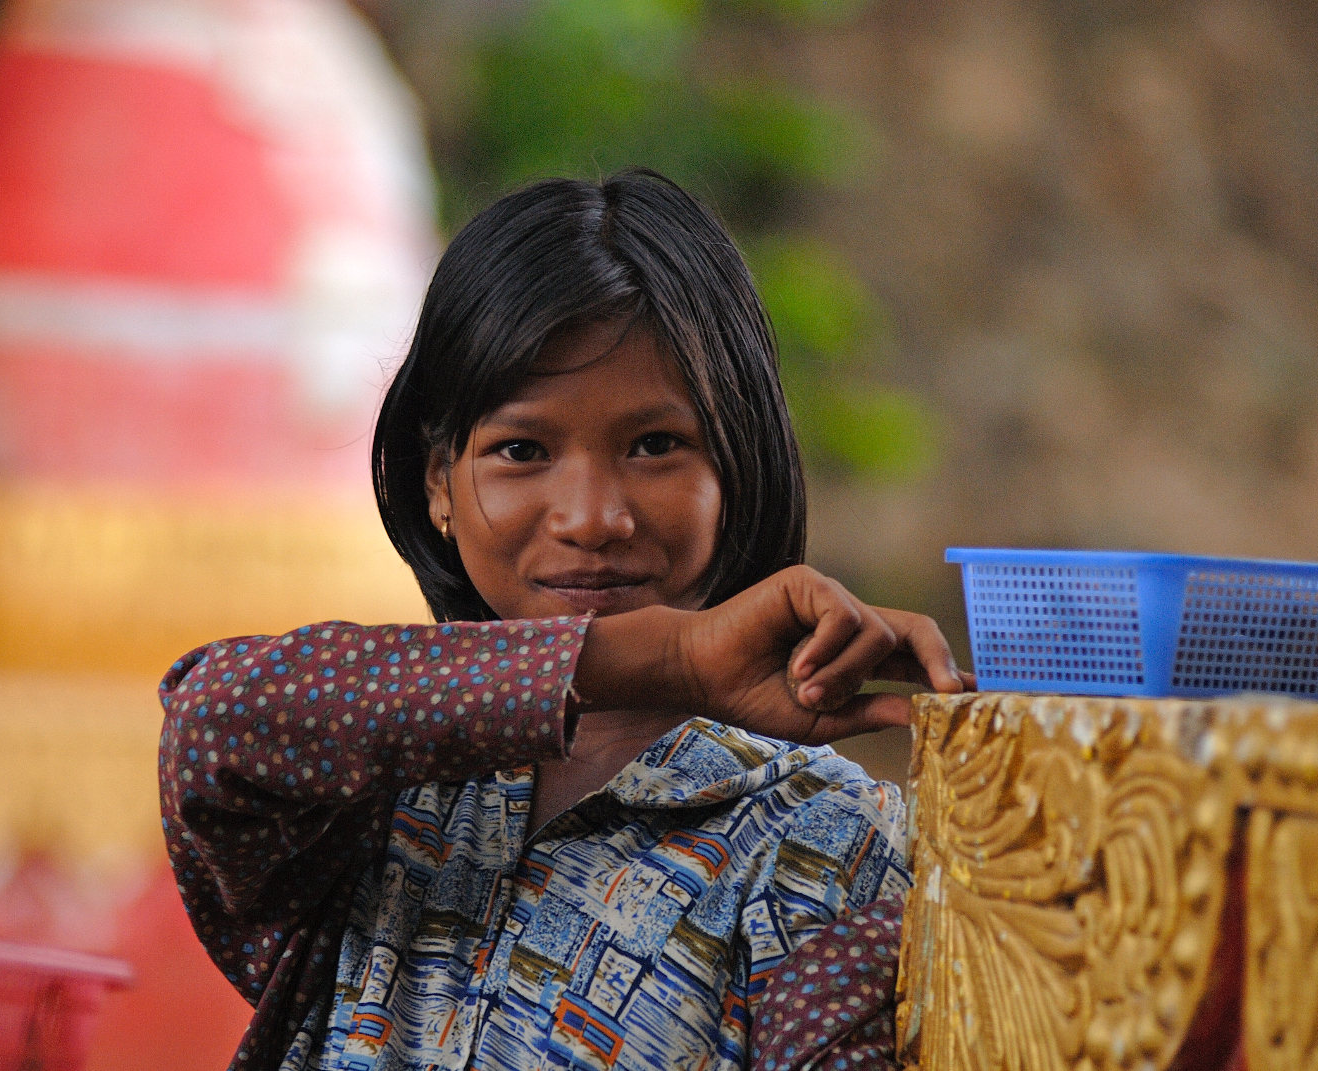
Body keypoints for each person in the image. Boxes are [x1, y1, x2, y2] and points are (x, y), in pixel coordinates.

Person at [159, 170, 974, 1071]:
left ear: (737, 471)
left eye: (656, 445)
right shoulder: (366, 791)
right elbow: (210, 725)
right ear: (438, 484)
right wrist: (668, 658)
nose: (592, 517)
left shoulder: (821, 839)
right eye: (522, 450)